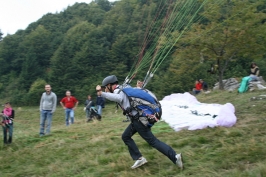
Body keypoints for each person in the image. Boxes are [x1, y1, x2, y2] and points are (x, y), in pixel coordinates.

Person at [95, 75, 183, 169]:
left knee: (153, 141)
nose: (105, 90)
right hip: (137, 120)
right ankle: (139, 158)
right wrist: (138, 87)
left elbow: (118, 98)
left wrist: (101, 94)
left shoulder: (118, 91)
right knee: (125, 136)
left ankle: (175, 157)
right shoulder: (124, 87)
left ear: (109, 85)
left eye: (105, 88)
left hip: (139, 121)